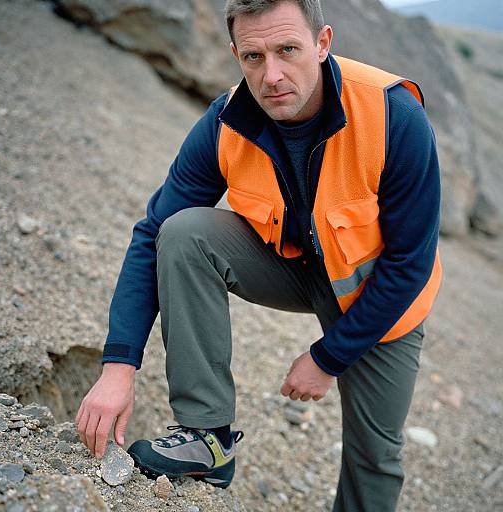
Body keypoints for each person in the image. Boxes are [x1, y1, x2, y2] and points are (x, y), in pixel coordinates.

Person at [76, 0, 442, 509]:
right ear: (235, 54)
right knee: (183, 232)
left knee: (374, 455)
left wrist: (327, 357)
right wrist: (119, 366)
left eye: (287, 49)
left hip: (378, 294)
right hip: (292, 267)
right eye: (253, 57)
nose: (271, 75)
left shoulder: (393, 114)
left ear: (322, 42)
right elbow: (152, 232)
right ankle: (208, 438)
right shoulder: (226, 120)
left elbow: (410, 263)